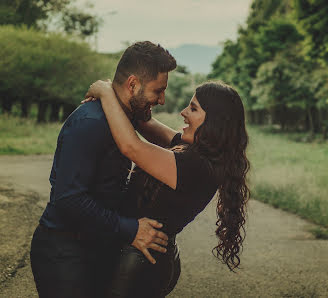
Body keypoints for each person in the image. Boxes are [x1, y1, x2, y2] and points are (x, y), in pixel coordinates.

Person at [30, 41, 177, 298]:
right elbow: (69, 199)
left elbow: (154, 129)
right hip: (64, 254)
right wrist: (131, 229)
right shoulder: (91, 122)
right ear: (132, 84)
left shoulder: (125, 114)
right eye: (158, 91)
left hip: (95, 246)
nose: (162, 100)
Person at [83, 80, 250, 297]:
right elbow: (147, 125)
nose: (183, 112)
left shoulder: (196, 165)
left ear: (214, 122)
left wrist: (104, 92)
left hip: (139, 262)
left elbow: (131, 146)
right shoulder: (202, 152)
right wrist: (124, 94)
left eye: (193, 108)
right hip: (150, 256)